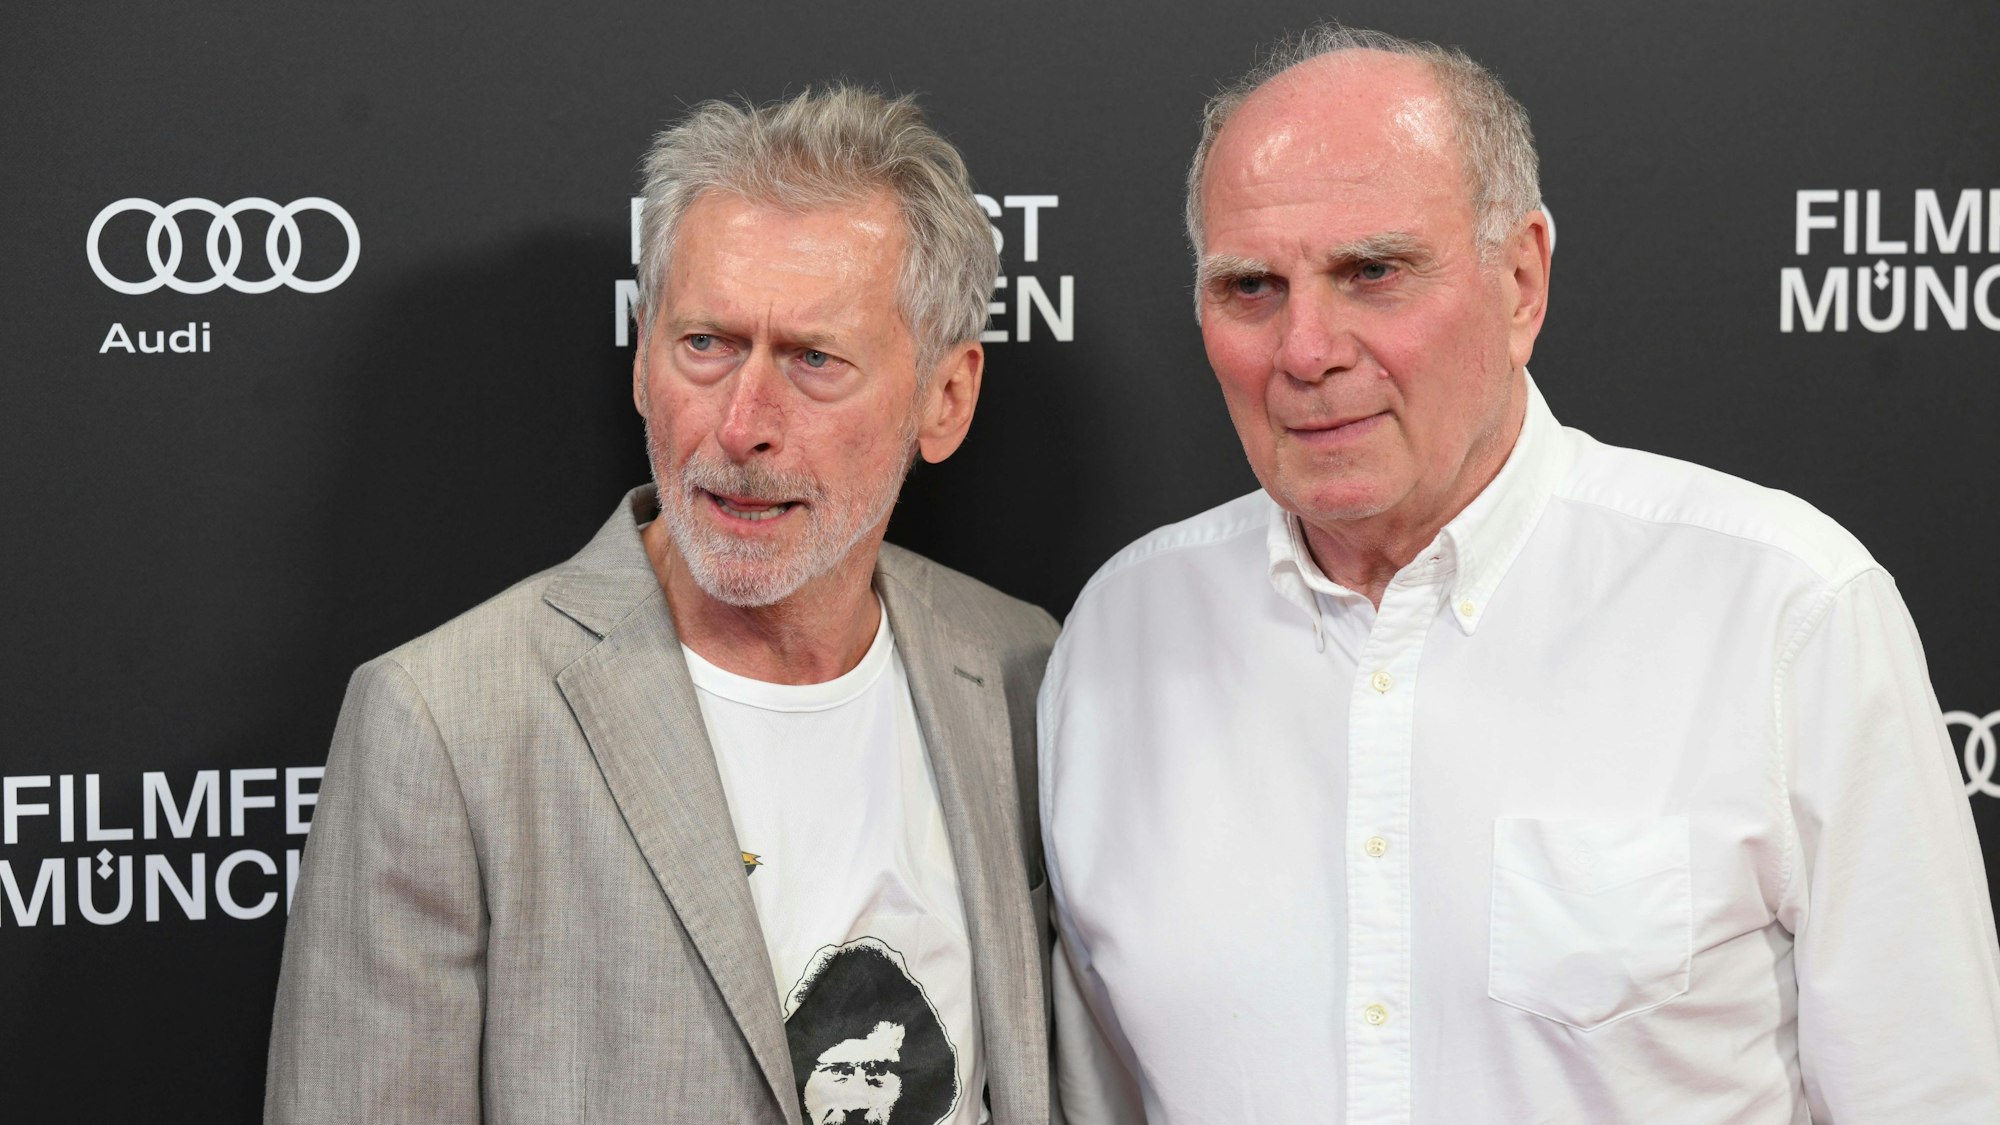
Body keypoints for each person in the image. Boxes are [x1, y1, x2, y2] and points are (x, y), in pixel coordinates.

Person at [1040, 24, 2000, 1123]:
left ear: (1519, 281)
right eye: (1251, 287)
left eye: (1373, 272)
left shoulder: (1781, 611)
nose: (1305, 349)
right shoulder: (1117, 636)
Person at [266, 86, 1059, 1125]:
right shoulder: (446, 722)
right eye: (706, 345)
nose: (741, 424)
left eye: (812, 360)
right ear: (643, 359)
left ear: (944, 399)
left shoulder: (1017, 666)